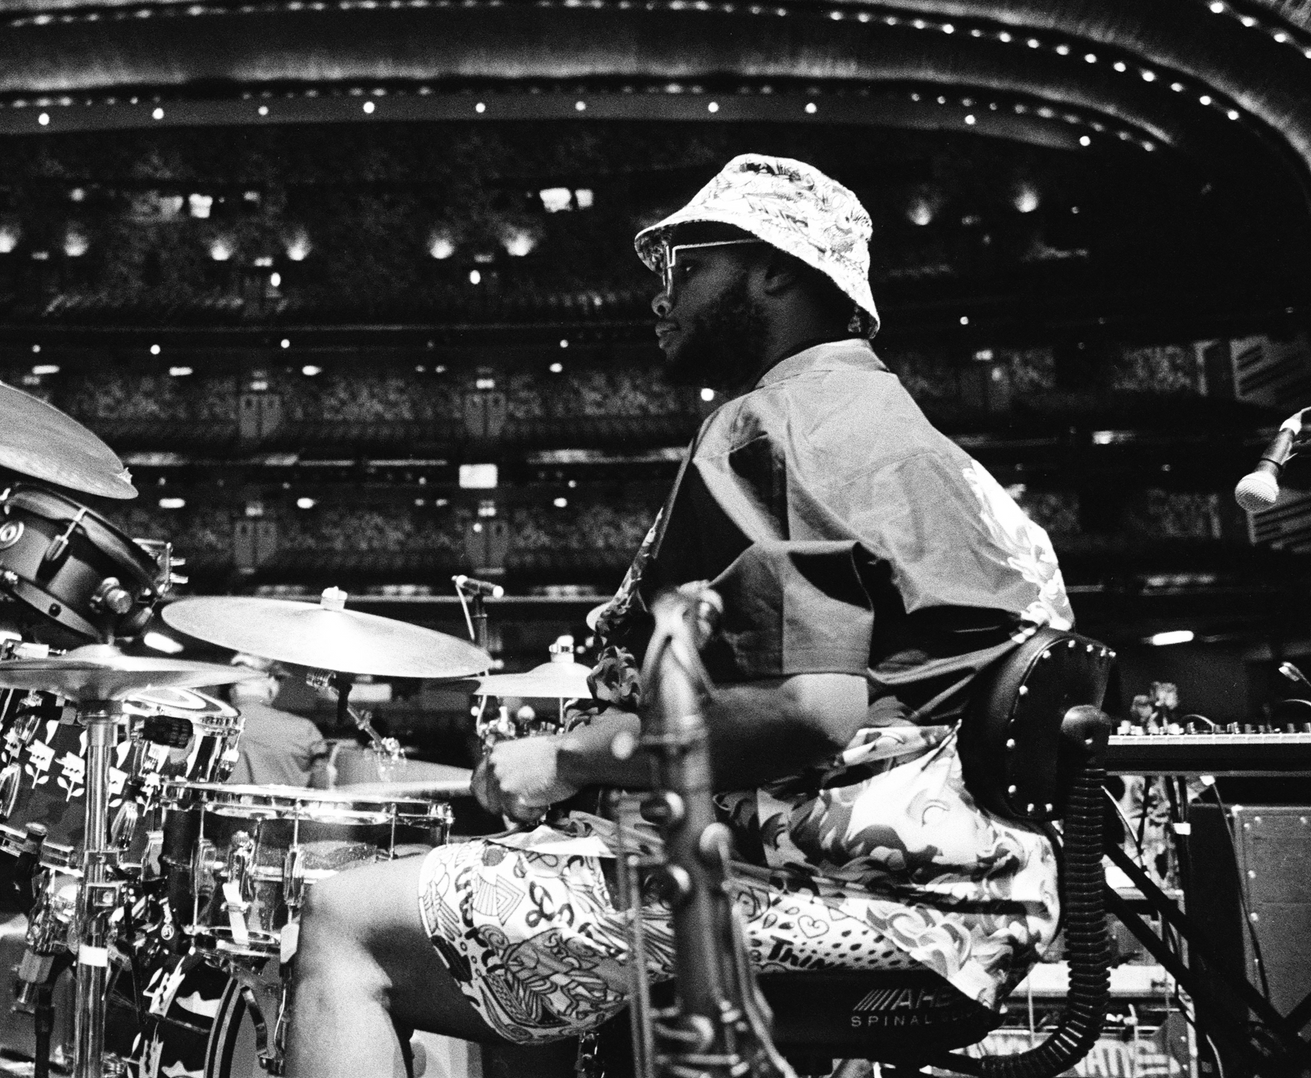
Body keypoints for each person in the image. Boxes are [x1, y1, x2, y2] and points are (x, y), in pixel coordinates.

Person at [284, 154, 1074, 1071]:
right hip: (985, 902)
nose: (660, 296)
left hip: (868, 901)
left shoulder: (775, 422)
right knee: (511, 955)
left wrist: (564, 755)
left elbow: (811, 708)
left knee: (345, 922)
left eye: (687, 267)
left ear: (777, 268)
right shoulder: (924, 447)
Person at [224, 653, 328, 788]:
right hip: (284, 808)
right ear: (271, 681)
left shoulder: (207, 725)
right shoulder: (304, 729)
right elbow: (321, 788)